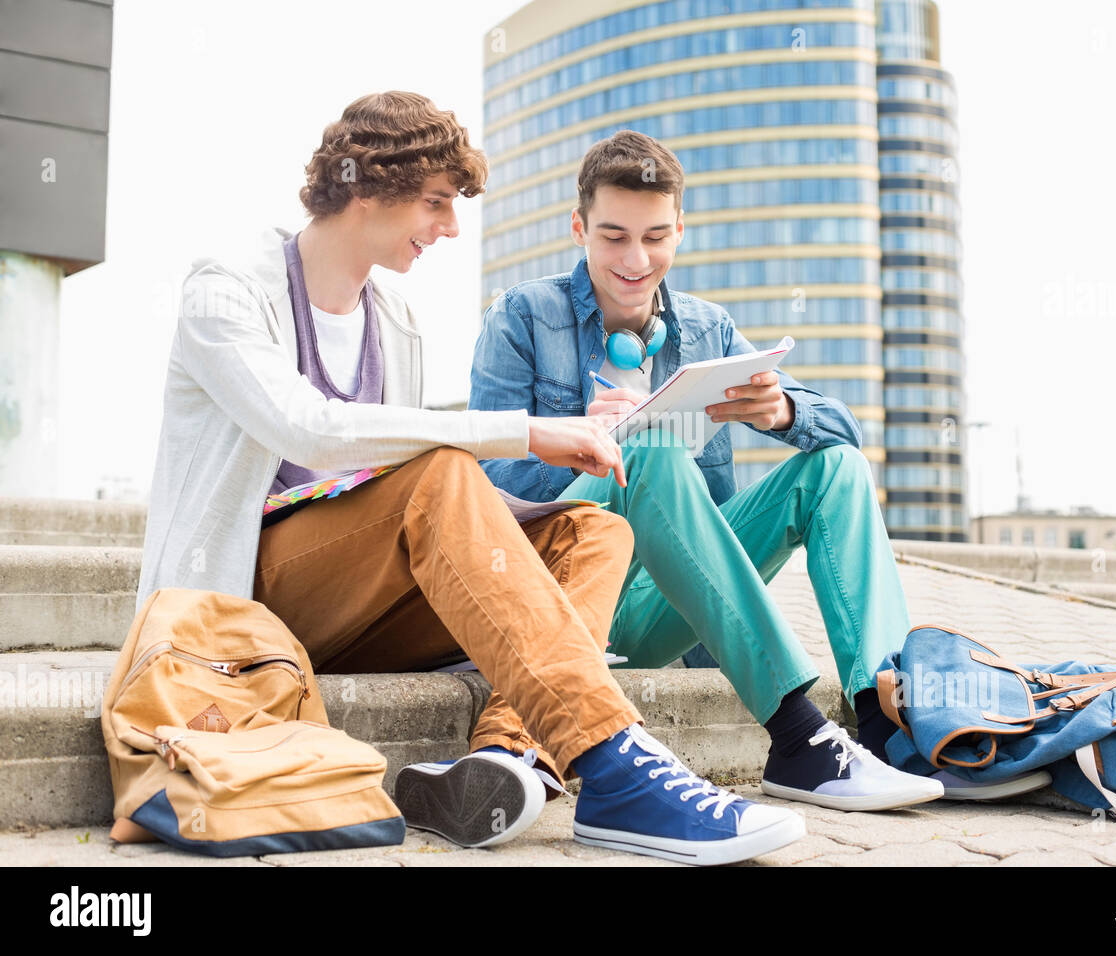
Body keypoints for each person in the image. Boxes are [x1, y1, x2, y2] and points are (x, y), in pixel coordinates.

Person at [134, 93, 805, 865]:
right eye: (437, 203)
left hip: (360, 601)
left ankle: (508, 756)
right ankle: (618, 761)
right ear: (367, 187)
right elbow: (306, 426)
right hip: (245, 607)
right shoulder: (225, 291)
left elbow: (379, 474)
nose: (450, 228)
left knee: (591, 530)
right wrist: (523, 433)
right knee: (443, 473)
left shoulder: (396, 317)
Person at [471, 130, 1047, 811]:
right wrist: (582, 441)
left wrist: (778, 413)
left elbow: (843, 430)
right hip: (575, 595)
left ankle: (892, 726)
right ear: (579, 229)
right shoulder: (521, 317)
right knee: (653, 448)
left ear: (680, 231)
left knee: (835, 467)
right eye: (614, 236)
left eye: (656, 236)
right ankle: (800, 740)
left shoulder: (709, 330)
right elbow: (487, 492)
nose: (635, 258)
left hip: (681, 608)